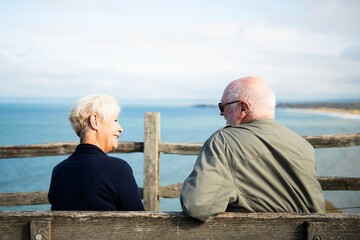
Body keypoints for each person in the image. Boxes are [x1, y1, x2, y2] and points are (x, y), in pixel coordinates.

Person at [180, 76, 325, 222]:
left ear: (243, 108)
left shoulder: (224, 141)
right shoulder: (303, 145)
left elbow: (197, 206)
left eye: (223, 106)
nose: (221, 113)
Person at [48, 94, 144, 211]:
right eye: (115, 120)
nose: (120, 128)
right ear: (95, 121)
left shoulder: (58, 171)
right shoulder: (118, 169)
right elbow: (140, 224)